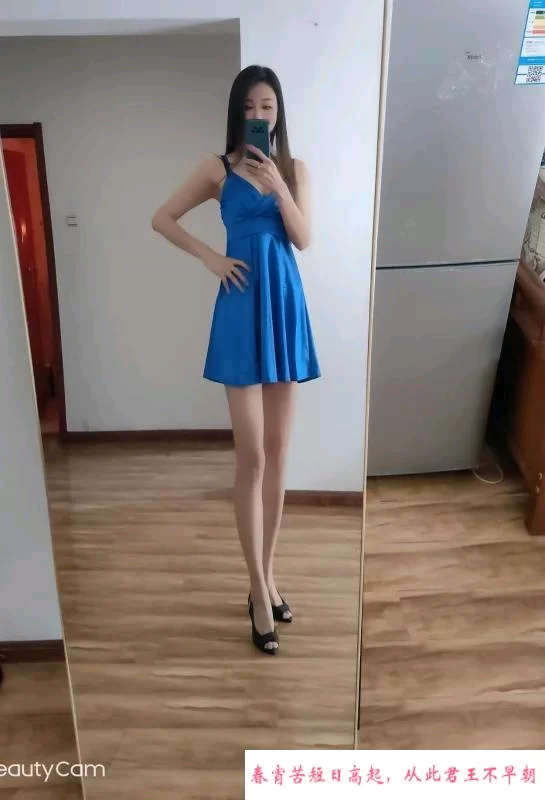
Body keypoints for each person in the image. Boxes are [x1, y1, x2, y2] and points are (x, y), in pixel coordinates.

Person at [151, 65, 320, 655]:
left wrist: (278, 184)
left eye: (267, 106)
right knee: (251, 457)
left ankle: (268, 577)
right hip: (240, 308)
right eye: (249, 106)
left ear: (278, 112)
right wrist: (209, 257)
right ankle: (256, 588)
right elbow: (161, 218)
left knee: (279, 456)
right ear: (236, 111)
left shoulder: (294, 169)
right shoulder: (215, 169)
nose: (259, 115)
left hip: (284, 309)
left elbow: (304, 238)